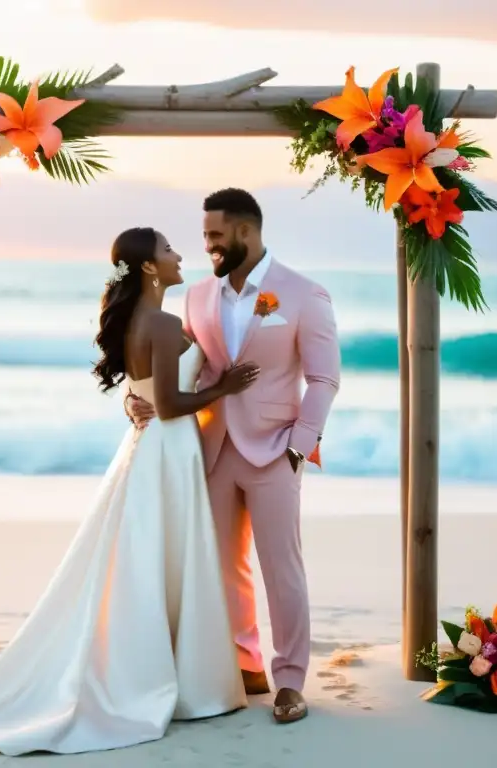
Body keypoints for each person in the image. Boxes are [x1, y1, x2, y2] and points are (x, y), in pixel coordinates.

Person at [0, 226, 257, 756]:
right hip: (167, 449)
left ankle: (174, 673)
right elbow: (166, 404)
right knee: (163, 559)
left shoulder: (144, 320)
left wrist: (136, 401)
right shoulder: (162, 322)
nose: (178, 254)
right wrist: (223, 389)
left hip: (151, 449)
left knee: (147, 560)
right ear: (147, 267)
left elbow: (141, 393)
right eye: (167, 250)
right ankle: (178, 683)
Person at [126, 188, 340, 724]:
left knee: (282, 568)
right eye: (203, 237)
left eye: (215, 236)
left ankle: (290, 680)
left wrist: (299, 444)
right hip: (212, 447)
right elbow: (185, 368)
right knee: (222, 567)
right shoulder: (197, 296)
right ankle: (246, 666)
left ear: (245, 232)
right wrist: (140, 397)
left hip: (274, 451)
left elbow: (324, 379)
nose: (208, 246)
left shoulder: (304, 294)